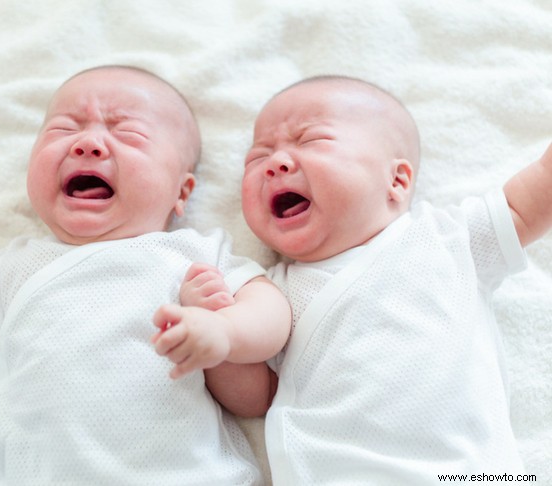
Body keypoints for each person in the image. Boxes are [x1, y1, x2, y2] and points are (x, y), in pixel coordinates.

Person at [0, 65, 291, 485]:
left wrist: (224, 331)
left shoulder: (190, 256)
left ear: (181, 192)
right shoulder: (17, 267)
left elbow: (264, 350)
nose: (88, 143)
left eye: (128, 134)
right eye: (63, 129)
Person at [179, 75, 552, 484]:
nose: (275, 163)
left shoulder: (447, 240)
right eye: (257, 157)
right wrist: (217, 344)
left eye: (311, 141)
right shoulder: (272, 293)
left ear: (396, 181)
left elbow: (526, 204)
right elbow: (259, 398)